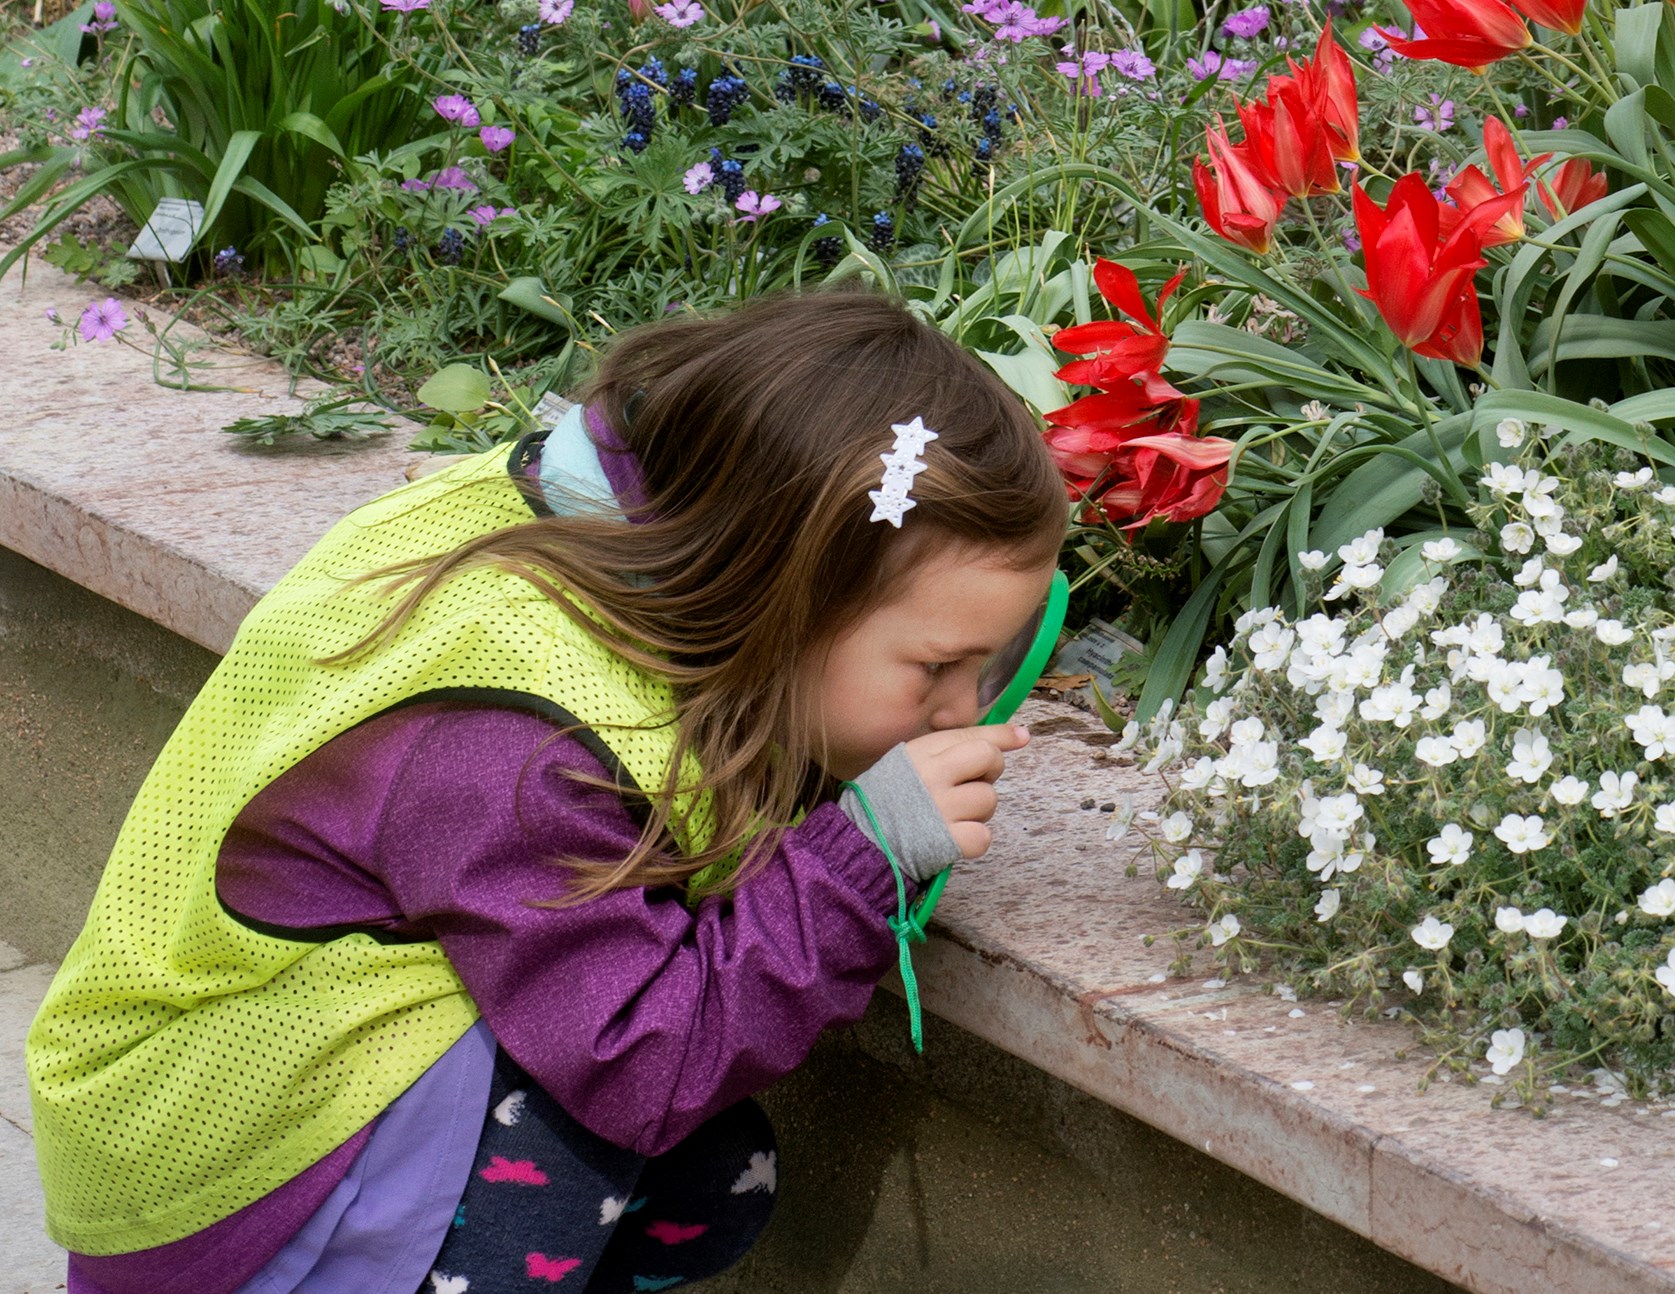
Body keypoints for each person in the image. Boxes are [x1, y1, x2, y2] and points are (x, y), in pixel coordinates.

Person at [24, 289, 1071, 1294]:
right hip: (228, 1172)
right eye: (935, 668)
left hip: (266, 1083)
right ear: (774, 594)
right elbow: (642, 1061)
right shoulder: (522, 746)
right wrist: (859, 856)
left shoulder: (598, 531)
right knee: (584, 1125)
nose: (962, 711)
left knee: (697, 1169)